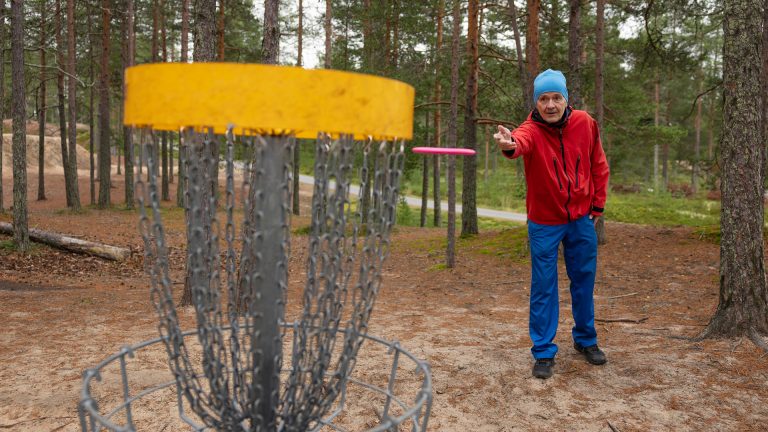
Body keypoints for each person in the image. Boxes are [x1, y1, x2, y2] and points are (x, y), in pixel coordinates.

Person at [493, 69, 610, 379]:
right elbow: (518, 143)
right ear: (536, 102)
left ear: (566, 100)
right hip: (544, 223)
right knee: (543, 286)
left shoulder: (585, 123)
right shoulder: (530, 129)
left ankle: (585, 339)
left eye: (556, 98)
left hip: (580, 219)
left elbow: (599, 164)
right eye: (543, 99)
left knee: (583, 281)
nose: (550, 105)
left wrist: (597, 205)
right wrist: (508, 143)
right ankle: (544, 351)